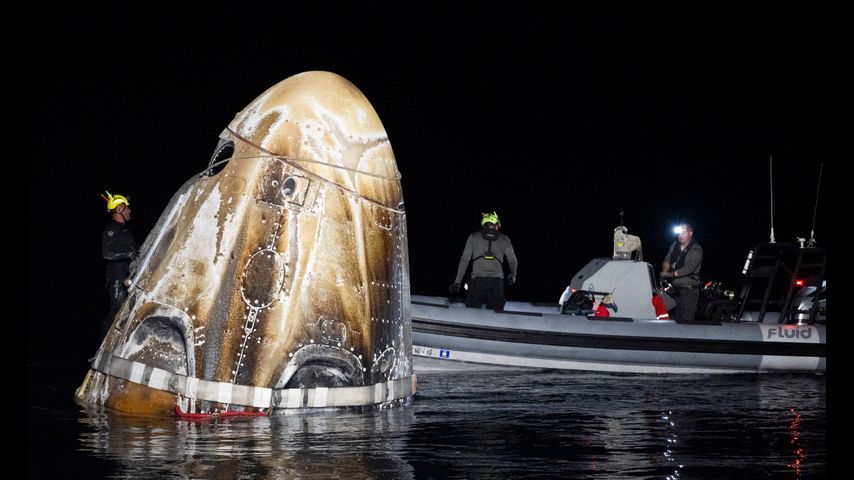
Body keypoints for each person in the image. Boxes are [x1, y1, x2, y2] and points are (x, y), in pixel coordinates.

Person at [450, 211, 518, 311]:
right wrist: (513, 275)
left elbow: (465, 260)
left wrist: (457, 282)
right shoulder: (505, 239)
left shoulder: (473, 237)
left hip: (477, 282)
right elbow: (512, 260)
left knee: (472, 314)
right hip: (497, 283)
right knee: (497, 316)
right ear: (496, 224)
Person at [101, 191, 138, 335]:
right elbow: (106, 253)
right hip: (116, 276)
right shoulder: (111, 229)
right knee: (117, 308)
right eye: (126, 207)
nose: (129, 210)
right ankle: (102, 345)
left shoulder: (126, 232)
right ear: (119, 209)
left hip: (129, 274)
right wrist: (127, 254)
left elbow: (137, 252)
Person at [660, 223, 703, 322]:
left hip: (689, 292)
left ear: (690, 233)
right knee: (673, 320)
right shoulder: (674, 245)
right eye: (679, 233)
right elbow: (667, 259)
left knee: (687, 321)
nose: (680, 235)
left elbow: (689, 268)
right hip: (674, 291)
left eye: (684, 232)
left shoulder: (696, 249)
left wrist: (671, 274)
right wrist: (664, 273)